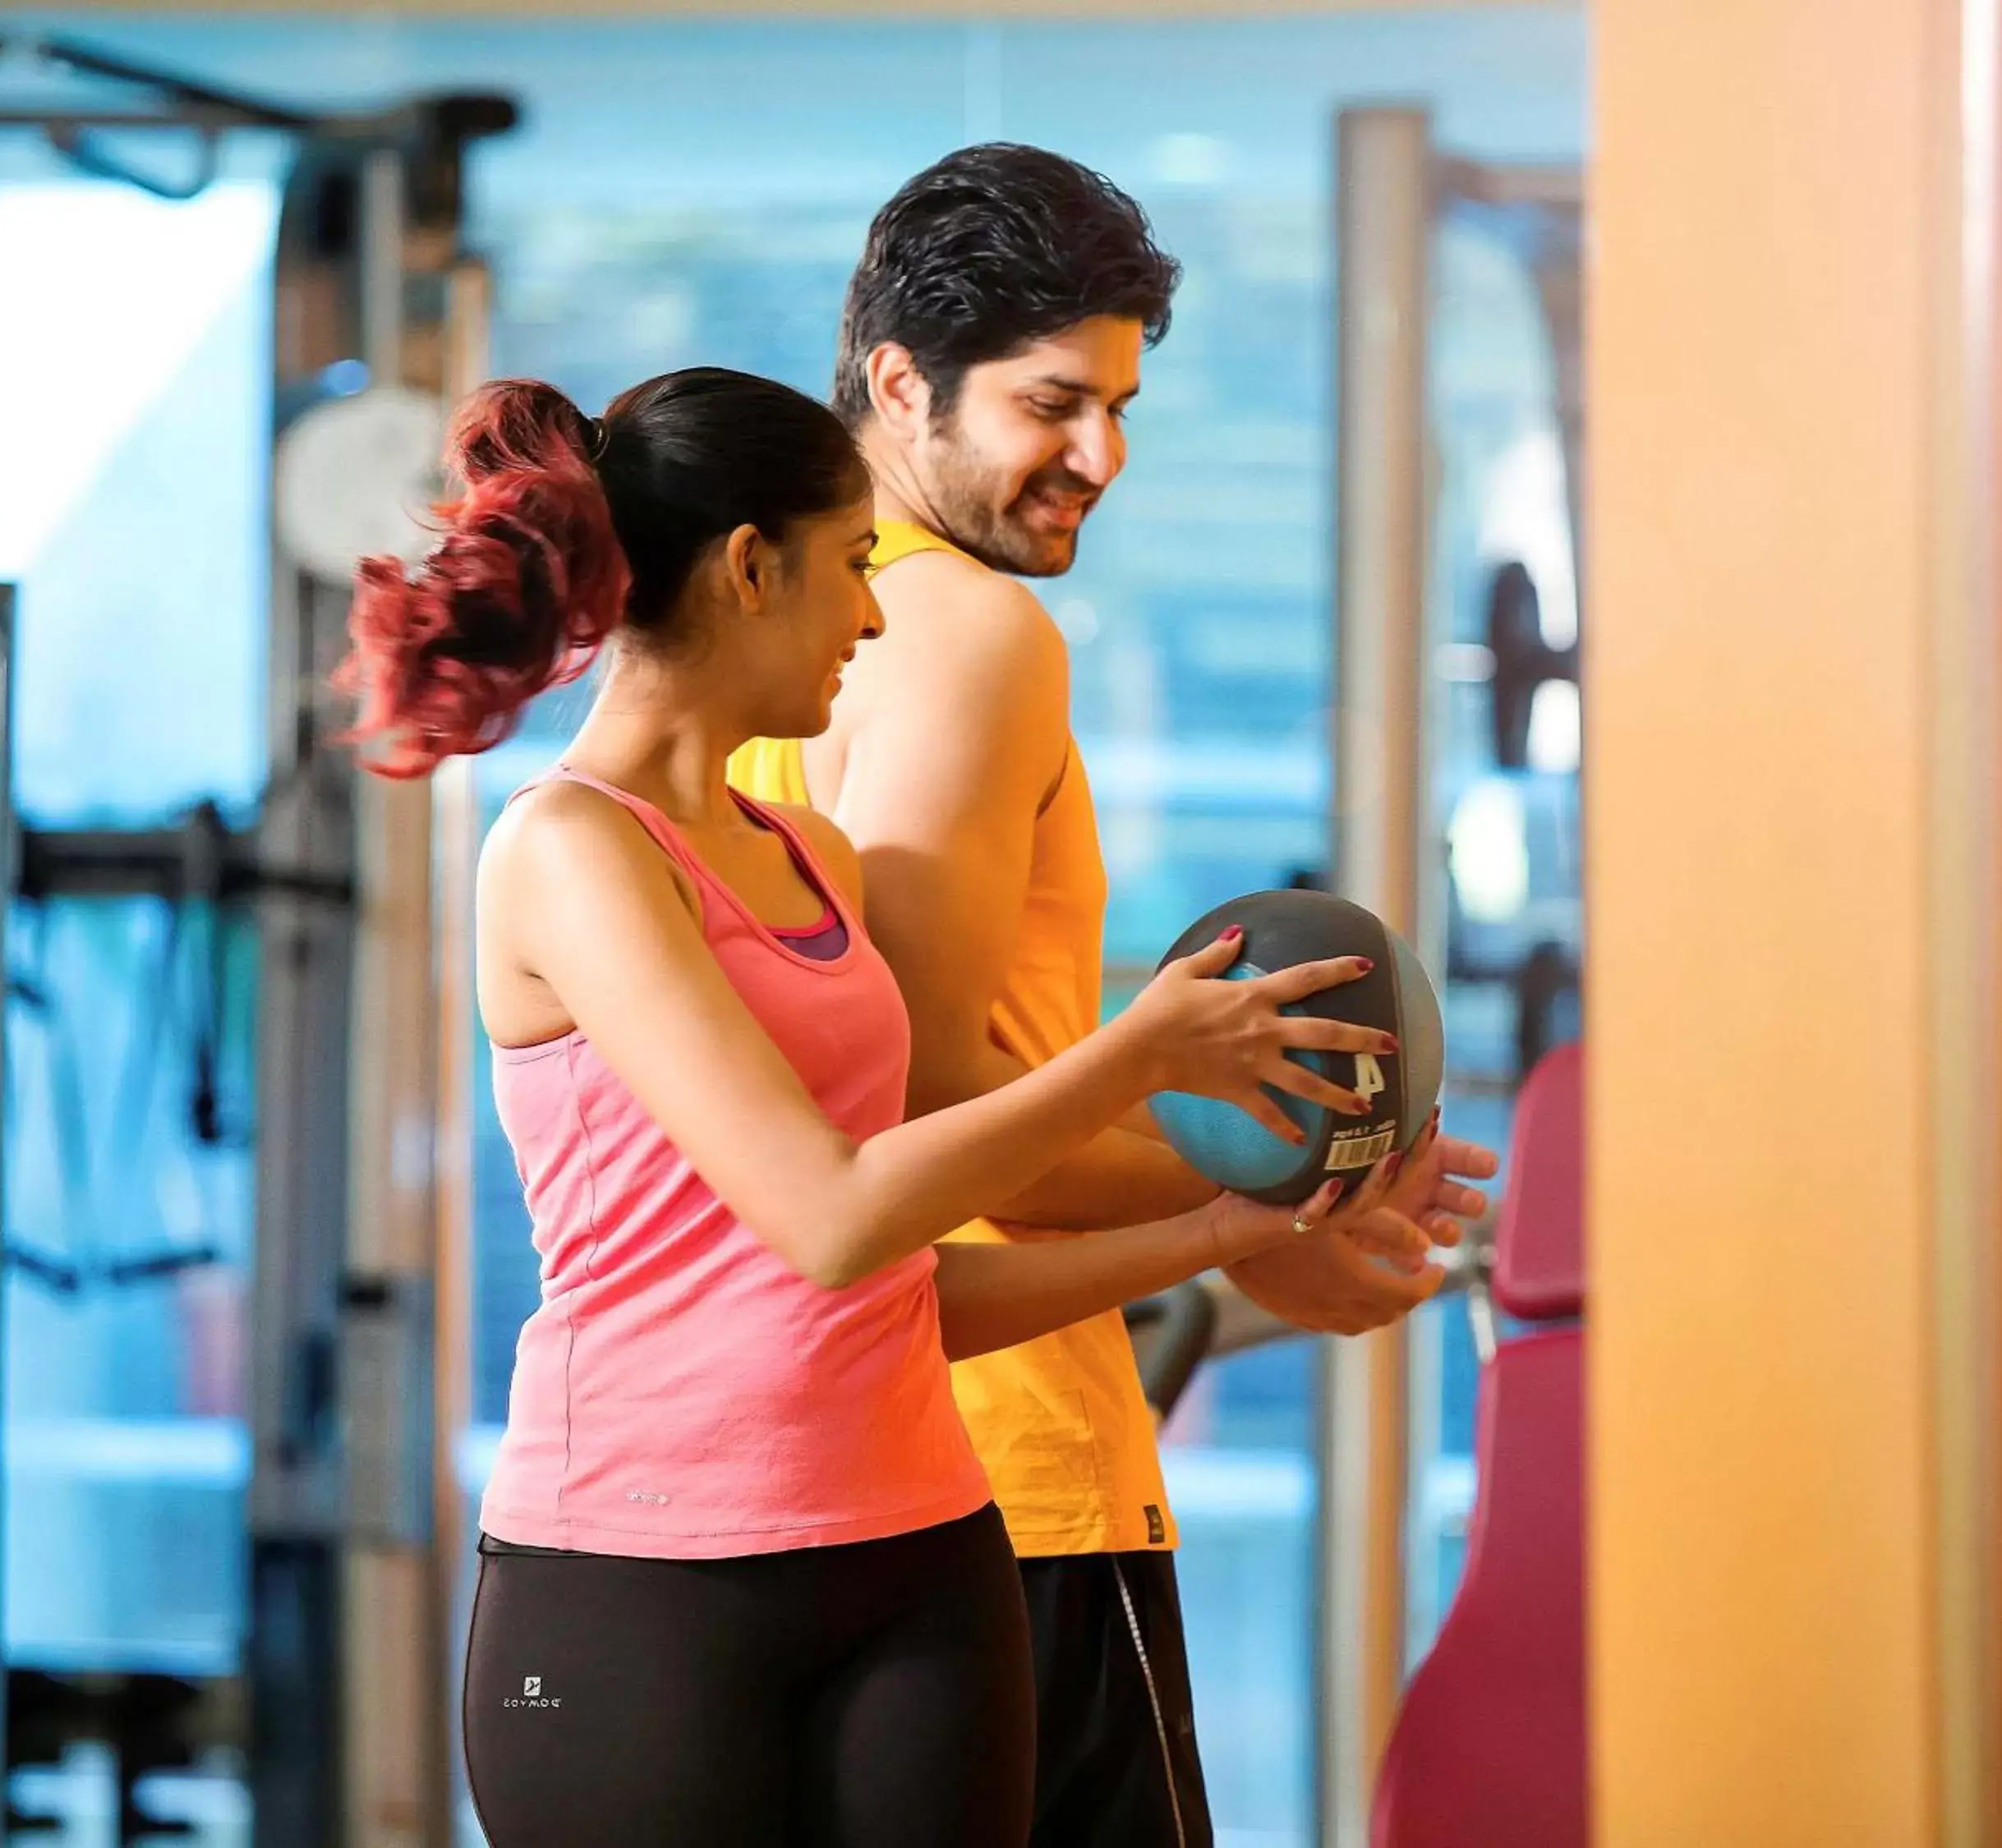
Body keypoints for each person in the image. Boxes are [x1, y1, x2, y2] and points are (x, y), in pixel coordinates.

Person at [337, 365, 1446, 1848]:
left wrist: (1244, 1216)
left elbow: (904, 1290)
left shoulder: (812, 860)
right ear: (750, 567)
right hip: (642, 1583)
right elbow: (832, 1215)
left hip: (925, 1554)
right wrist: (1140, 1055)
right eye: (853, 567)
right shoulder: (568, 853)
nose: (871, 620)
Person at [730, 145, 1498, 1846]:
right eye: (1054, 403)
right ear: (897, 382)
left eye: (1123, 404)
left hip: (793, 1476)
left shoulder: (753, 643)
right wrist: (1288, 1189)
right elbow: (927, 1104)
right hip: (1002, 1485)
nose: (1104, 456)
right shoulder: (966, 635)